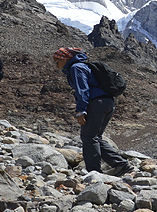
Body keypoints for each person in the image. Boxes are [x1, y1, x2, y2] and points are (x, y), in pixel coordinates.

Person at [55, 47, 133, 176]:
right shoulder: (84, 66)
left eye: (57, 60)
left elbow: (83, 90)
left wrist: (81, 111)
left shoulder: (76, 68)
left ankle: (94, 172)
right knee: (95, 137)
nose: (56, 64)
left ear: (65, 59)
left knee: (89, 137)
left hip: (96, 104)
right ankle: (120, 164)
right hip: (107, 103)